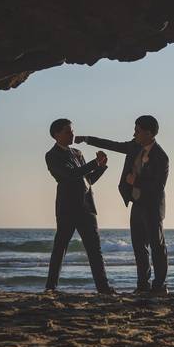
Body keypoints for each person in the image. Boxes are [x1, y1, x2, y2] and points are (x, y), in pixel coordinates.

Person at [77, 116, 169, 295]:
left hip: (152, 206)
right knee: (138, 247)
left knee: (157, 246)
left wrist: (137, 181)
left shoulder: (161, 156)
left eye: (137, 130)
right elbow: (113, 145)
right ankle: (143, 285)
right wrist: (87, 139)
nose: (134, 133)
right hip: (136, 204)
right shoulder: (134, 146)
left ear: (149, 133)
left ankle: (159, 286)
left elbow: (158, 187)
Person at [44, 118, 115, 294]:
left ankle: (103, 287)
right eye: (67, 131)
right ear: (56, 135)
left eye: (72, 131)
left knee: (95, 250)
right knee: (60, 248)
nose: (72, 134)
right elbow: (70, 175)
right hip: (67, 209)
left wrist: (101, 167)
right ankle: (51, 287)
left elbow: (87, 180)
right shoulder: (52, 155)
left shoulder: (77, 153)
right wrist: (94, 163)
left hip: (86, 207)